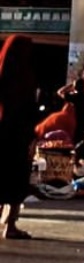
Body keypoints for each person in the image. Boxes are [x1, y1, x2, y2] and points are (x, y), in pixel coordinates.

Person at [0, 34, 38, 239]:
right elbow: (28, 109)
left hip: (2, 132)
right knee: (16, 180)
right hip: (17, 136)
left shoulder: (2, 72)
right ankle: (10, 225)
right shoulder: (25, 76)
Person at [57, 75, 84, 144]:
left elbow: (59, 92)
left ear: (75, 87)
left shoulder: (74, 97)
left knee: (76, 141)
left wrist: (71, 85)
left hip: (76, 122)